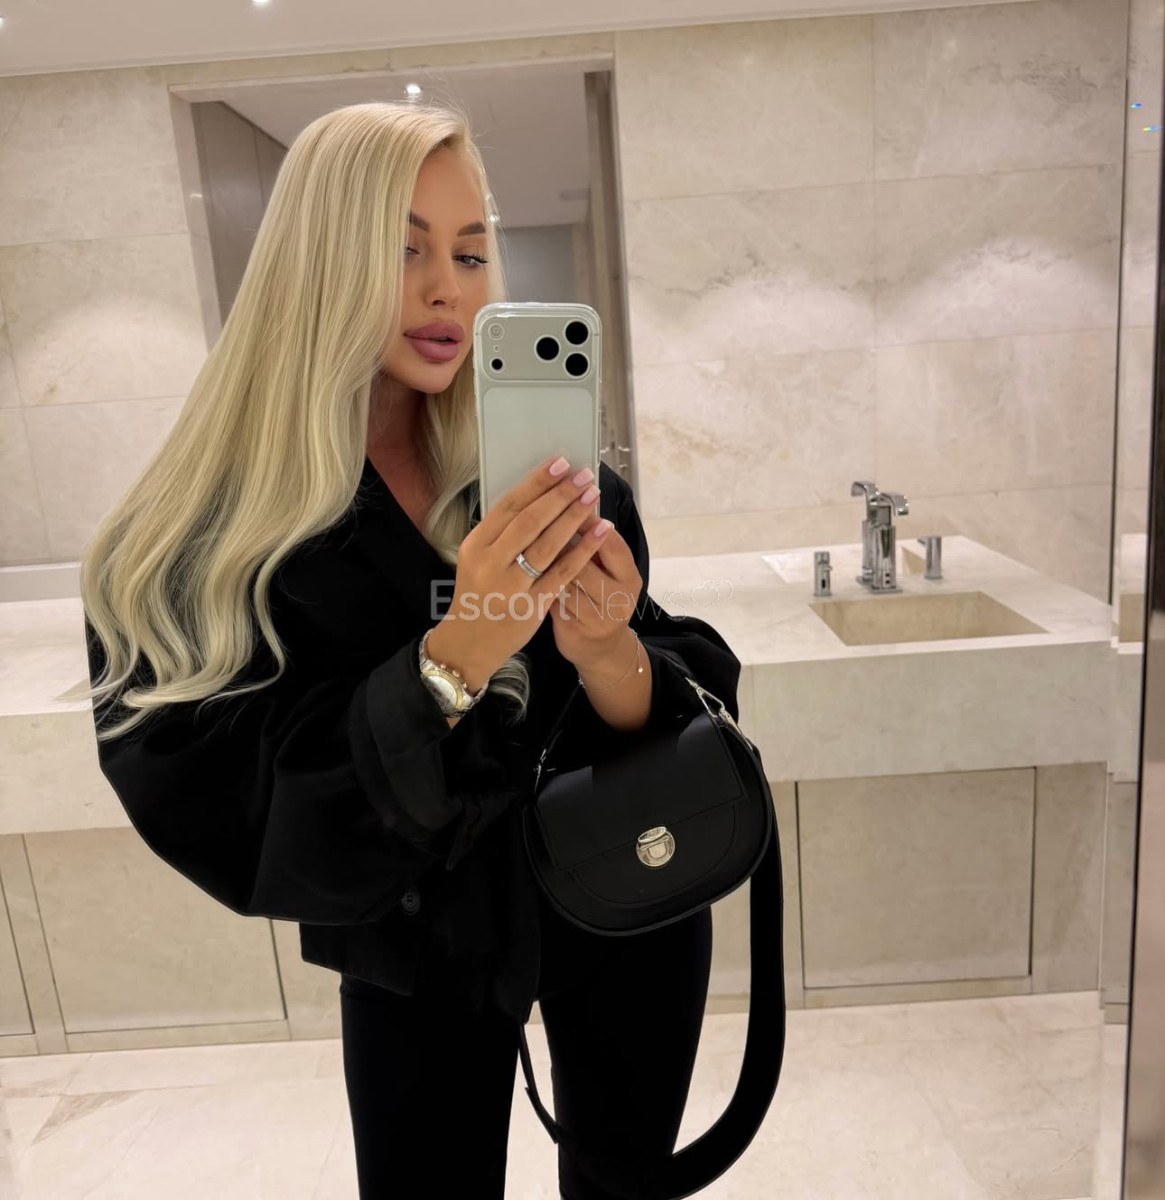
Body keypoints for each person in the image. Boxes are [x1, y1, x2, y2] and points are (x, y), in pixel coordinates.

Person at [65, 100, 742, 1198]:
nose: (448, 290)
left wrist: (609, 652)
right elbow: (226, 799)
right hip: (414, 951)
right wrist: (460, 650)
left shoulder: (547, 485)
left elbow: (651, 715)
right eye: (403, 249)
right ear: (317, 262)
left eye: (470, 253)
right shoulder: (234, 533)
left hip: (623, 897)